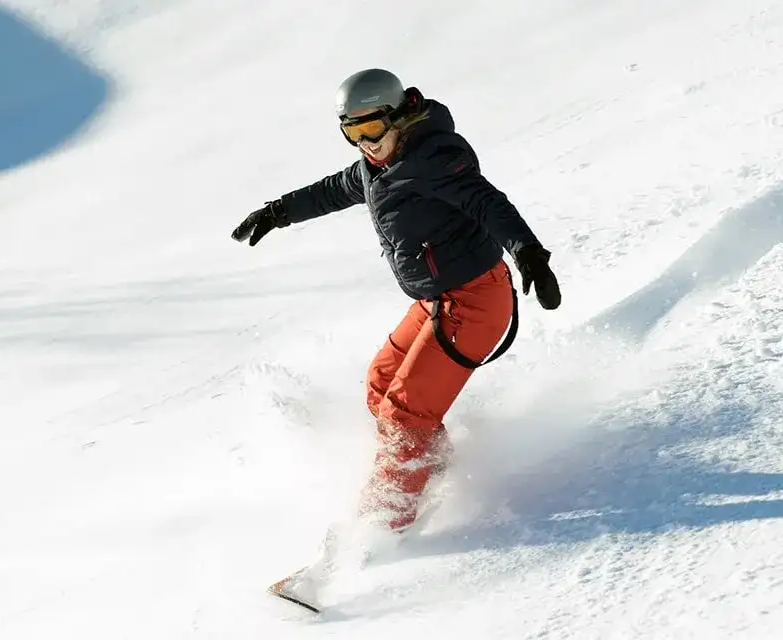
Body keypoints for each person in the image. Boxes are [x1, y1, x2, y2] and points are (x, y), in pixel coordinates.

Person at [232, 68, 561, 532]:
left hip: (475, 300)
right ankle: (432, 466)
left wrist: (528, 252)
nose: (365, 143)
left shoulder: (435, 157)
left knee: (404, 413)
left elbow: (486, 202)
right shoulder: (376, 167)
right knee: (381, 383)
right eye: (352, 132)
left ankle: (381, 526)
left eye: (371, 128)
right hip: (436, 299)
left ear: (400, 115)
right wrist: (278, 211)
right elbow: (333, 190)